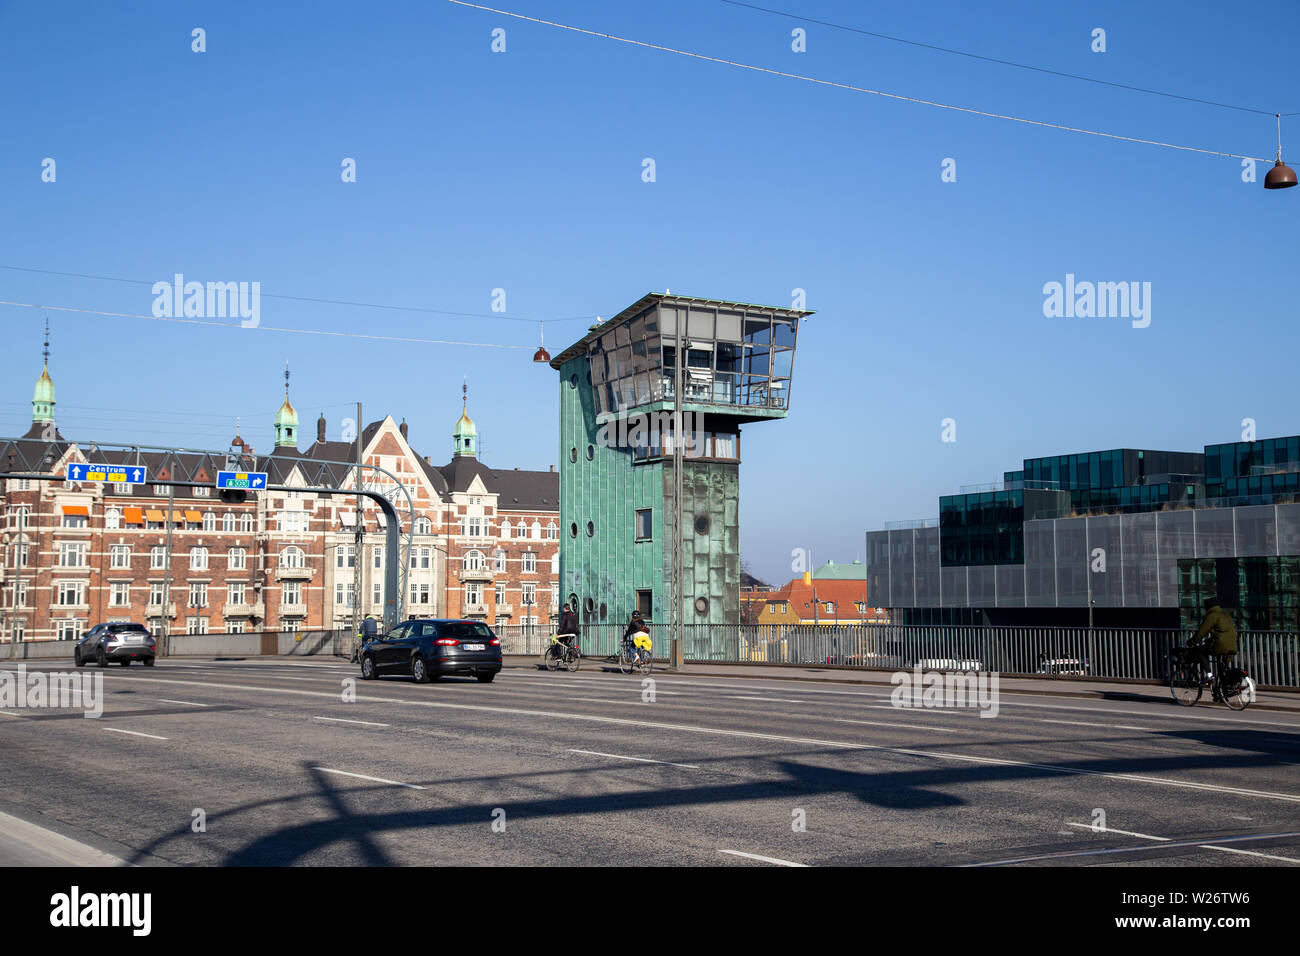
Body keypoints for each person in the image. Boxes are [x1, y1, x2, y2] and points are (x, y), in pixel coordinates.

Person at [1189, 597, 1238, 701]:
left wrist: (1191, 642)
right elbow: (1222, 633)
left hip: (1220, 645)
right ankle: (1221, 695)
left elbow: (1202, 632)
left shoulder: (1212, 615)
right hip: (1232, 645)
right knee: (1222, 670)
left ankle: (1209, 675)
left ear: (1208, 607)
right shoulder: (1225, 614)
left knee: (1200, 651)